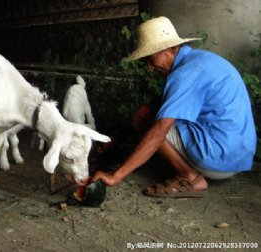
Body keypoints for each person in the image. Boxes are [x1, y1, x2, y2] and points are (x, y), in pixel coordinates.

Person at [91, 16, 257, 198]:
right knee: (145, 113)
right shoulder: (200, 60)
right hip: (238, 156)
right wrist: (120, 136)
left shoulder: (185, 74)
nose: (149, 67)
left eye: (150, 58)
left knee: (149, 123)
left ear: (170, 49)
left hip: (218, 160)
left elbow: (160, 130)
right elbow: (159, 103)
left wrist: (116, 176)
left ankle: (190, 177)